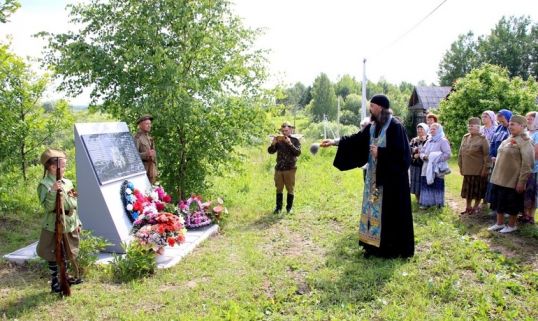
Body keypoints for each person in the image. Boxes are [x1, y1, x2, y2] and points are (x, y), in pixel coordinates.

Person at [320, 94, 414, 258]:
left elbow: (404, 155)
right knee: (372, 211)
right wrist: (335, 142)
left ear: (380, 107)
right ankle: (372, 246)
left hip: (392, 183)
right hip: (373, 180)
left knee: (389, 214)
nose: (370, 108)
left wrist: (381, 153)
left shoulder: (395, 126)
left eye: (372, 106)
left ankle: (390, 249)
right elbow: (356, 140)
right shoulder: (372, 126)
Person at [36, 149, 83, 293]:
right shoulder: (44, 185)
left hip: (69, 222)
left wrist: (78, 221)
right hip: (53, 224)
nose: (65, 168)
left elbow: (74, 202)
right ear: (52, 167)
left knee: (69, 251)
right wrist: (52, 191)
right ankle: (55, 280)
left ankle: (66, 277)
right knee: (51, 251)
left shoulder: (67, 182)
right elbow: (48, 207)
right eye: (62, 165)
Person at [487, 115, 534, 233]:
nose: (510, 126)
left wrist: (522, 181)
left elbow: (528, 163)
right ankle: (499, 223)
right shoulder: (508, 139)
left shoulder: (525, 141)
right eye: (510, 124)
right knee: (499, 201)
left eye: (513, 124)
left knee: (512, 203)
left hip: (512, 180)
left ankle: (512, 225)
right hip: (499, 177)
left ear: (522, 126)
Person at [268, 121, 301, 214]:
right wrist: (273, 144)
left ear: (290, 130)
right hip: (279, 168)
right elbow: (270, 151)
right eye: (283, 131)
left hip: (290, 168)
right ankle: (278, 208)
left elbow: (298, 153)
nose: (284, 132)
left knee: (290, 188)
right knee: (279, 188)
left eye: (286, 130)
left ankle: (289, 208)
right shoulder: (278, 140)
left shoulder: (295, 140)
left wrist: (290, 143)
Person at [457, 117, 489, 214]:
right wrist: (461, 166)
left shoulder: (483, 139)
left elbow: (486, 155)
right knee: (468, 191)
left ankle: (475, 207)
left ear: (478, 127)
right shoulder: (465, 137)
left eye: (472, 125)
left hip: (478, 170)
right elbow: (460, 153)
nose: (470, 127)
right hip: (467, 169)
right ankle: (468, 207)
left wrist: (485, 169)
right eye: (469, 125)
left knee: (477, 190)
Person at [419, 122, 451, 209]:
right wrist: (424, 157)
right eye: (431, 129)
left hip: (437, 167)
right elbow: (421, 152)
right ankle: (426, 204)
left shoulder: (443, 141)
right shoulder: (429, 141)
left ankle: (438, 205)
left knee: (437, 183)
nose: (432, 130)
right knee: (427, 183)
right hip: (426, 166)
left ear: (439, 130)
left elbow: (448, 154)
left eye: (434, 129)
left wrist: (436, 159)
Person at [485, 109, 512, 214]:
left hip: (506, 162)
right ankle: (495, 207)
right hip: (495, 161)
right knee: (495, 184)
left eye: (503, 119)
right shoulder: (499, 128)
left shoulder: (511, 129)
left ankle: (505, 210)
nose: (501, 122)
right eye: (500, 119)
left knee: (504, 185)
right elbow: (492, 143)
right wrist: (492, 155)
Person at [522, 112, 538, 224]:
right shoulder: (526, 133)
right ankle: (524, 214)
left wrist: (529, 163)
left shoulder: (537, 134)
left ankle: (530, 216)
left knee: (532, 192)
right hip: (523, 166)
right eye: (527, 119)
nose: (528, 121)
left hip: (534, 168)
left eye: (531, 119)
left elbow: (536, 152)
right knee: (524, 191)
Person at [134, 114, 158, 184]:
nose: (149, 125)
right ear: (140, 125)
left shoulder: (149, 137)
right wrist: (146, 154)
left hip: (152, 171)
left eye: (150, 124)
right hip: (143, 171)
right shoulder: (137, 137)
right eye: (147, 124)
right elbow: (133, 156)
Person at [409, 123, 429, 202]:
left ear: (425, 130)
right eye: (418, 129)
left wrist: (423, 142)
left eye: (421, 129)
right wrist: (414, 155)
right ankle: (418, 200)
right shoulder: (414, 140)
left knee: (424, 182)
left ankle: (425, 200)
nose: (419, 131)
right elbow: (409, 150)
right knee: (415, 183)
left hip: (424, 165)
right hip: (415, 164)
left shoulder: (429, 140)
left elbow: (429, 150)